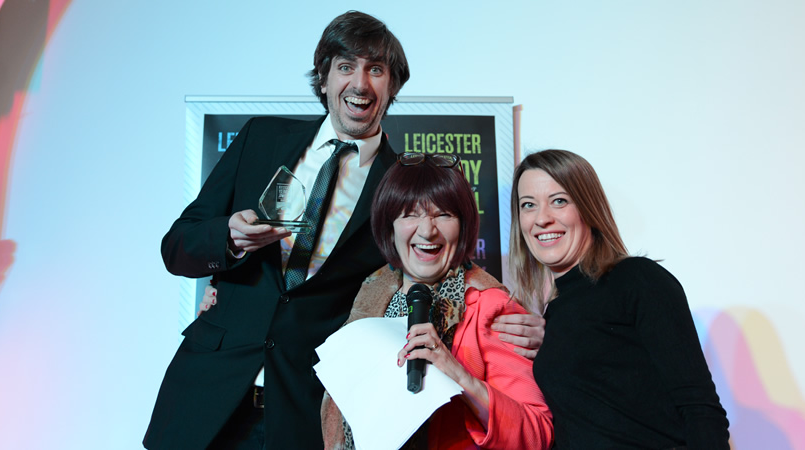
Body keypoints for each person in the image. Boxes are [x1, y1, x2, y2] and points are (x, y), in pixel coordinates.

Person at [145, 11, 409, 449]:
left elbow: (432, 277)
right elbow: (177, 247)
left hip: (302, 411)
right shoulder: (260, 139)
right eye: (345, 67)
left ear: (392, 87)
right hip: (205, 397)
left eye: (375, 70)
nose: (360, 84)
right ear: (323, 79)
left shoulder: (401, 185)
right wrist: (228, 239)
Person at [321, 153, 553, 449]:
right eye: (410, 214)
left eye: (443, 214)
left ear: (463, 225)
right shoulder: (368, 298)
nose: (427, 230)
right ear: (389, 225)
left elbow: (536, 433)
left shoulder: (491, 308)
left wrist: (458, 375)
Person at [509, 149, 730, 449]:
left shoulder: (636, 279)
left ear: (587, 207)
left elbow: (700, 409)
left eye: (559, 201)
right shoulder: (554, 315)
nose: (542, 219)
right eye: (528, 205)